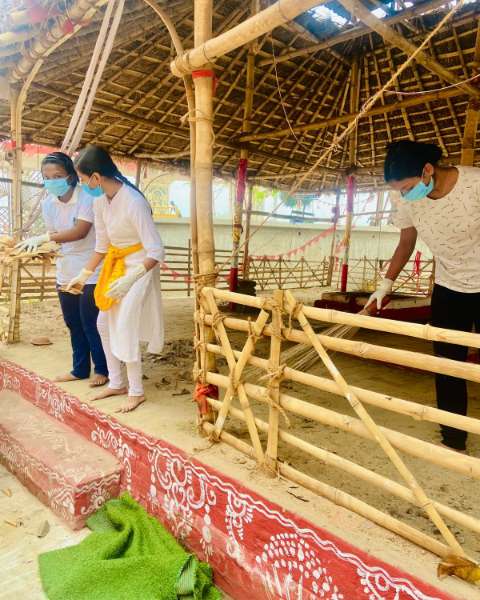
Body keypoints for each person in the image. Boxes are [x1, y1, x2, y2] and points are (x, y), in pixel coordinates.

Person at [367, 140, 480, 452]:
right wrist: (385, 284)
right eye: (399, 191)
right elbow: (406, 242)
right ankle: (453, 438)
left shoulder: (474, 185)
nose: (404, 196)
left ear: (428, 170)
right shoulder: (405, 199)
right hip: (448, 287)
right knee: (447, 366)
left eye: (407, 188)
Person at [67, 145, 164, 413]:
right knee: (103, 323)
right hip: (117, 266)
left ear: (96, 177)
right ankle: (117, 382)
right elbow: (102, 245)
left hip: (141, 266)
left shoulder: (134, 202)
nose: (82, 185)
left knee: (125, 323)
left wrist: (132, 278)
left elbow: (156, 250)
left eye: (83, 179)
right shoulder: (99, 201)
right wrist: (84, 274)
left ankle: (136, 391)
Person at [17, 152, 108, 387]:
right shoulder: (49, 203)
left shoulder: (87, 196)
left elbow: (80, 231)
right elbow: (56, 236)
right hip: (65, 269)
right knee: (73, 322)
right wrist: (40, 246)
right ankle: (80, 369)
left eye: (57, 176)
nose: (52, 181)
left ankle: (102, 369)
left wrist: (45, 237)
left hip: (91, 268)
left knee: (91, 322)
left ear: (70, 175)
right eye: (47, 177)